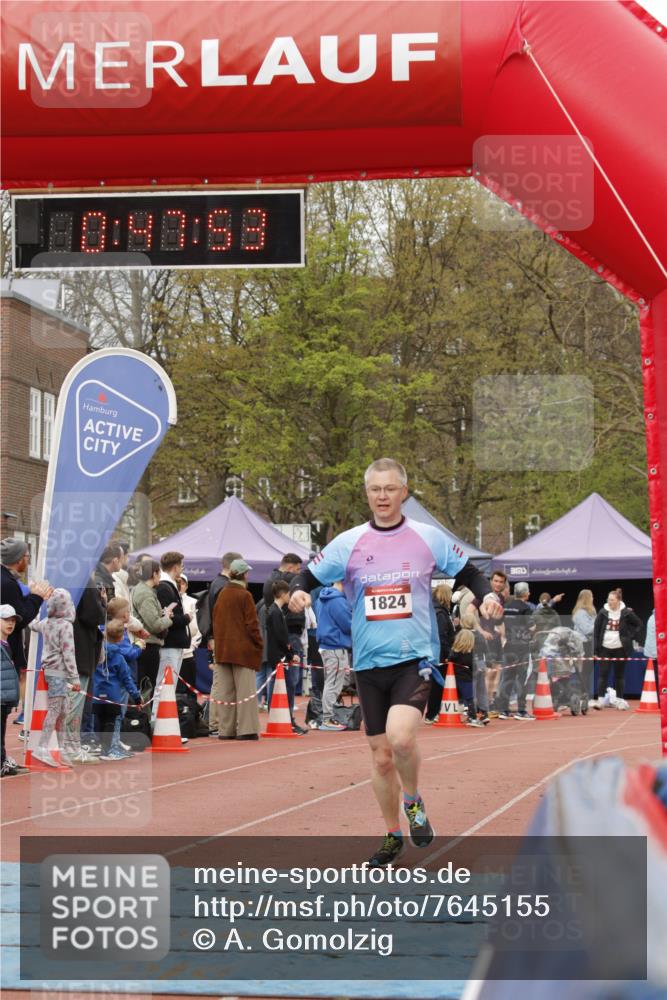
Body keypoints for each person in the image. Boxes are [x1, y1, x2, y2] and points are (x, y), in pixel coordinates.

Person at [289, 458, 502, 866]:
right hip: (368, 662)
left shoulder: (426, 538)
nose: (383, 496)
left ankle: (413, 801)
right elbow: (307, 577)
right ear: (367, 494)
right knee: (381, 756)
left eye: (390, 489)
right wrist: (299, 593)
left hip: (415, 658)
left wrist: (486, 594)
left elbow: (470, 573)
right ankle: (392, 835)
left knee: (401, 738)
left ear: (404, 492)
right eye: (375, 490)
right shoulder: (348, 543)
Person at [211, 559, 263, 740]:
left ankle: (226, 730)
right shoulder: (245, 595)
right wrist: (258, 644)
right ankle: (246, 729)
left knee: (226, 693)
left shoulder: (222, 593)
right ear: (244, 574)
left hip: (223, 649)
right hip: (242, 650)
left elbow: (215, 622)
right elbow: (252, 624)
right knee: (246, 693)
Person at [28, 588, 81, 768]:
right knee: (56, 709)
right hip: (59, 672)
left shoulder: (46, 622)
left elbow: (32, 625)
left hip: (51, 671)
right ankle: (42, 746)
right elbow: (69, 653)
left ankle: (61, 747)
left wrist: (34, 612)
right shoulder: (66, 626)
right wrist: (75, 678)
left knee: (63, 710)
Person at [69, 576, 107, 761]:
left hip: (63, 653)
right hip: (81, 651)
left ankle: (67, 746)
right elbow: (94, 615)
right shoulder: (84, 580)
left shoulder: (60, 576)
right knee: (76, 704)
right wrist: (103, 604)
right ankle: (72, 747)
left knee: (65, 704)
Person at [93, 619, 142, 760]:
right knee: (111, 722)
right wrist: (137, 696)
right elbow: (127, 679)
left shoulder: (97, 653)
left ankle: (101, 748)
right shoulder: (119, 658)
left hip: (96, 694)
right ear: (121, 638)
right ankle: (109, 751)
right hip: (112, 696)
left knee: (99, 722)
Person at [154, 551, 191, 723]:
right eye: (181, 566)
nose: (182, 569)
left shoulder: (167, 586)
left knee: (169, 686)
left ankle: (164, 723)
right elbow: (166, 616)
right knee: (164, 685)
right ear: (175, 567)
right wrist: (186, 618)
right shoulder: (164, 587)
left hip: (174, 643)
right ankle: (157, 722)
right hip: (170, 643)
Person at [131, 560, 173, 694]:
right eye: (159, 572)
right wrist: (167, 618)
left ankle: (144, 714)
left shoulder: (143, 590)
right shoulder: (145, 594)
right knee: (147, 687)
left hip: (145, 644)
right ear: (154, 574)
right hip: (148, 645)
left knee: (145, 685)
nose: (160, 575)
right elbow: (154, 625)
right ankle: (145, 715)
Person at [315, 581, 353, 731]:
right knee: (334, 683)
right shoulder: (338, 601)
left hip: (326, 645)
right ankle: (328, 718)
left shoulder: (321, 598)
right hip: (336, 646)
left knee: (331, 682)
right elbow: (348, 624)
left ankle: (327, 716)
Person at [593, 589, 642, 704]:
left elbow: (639, 624)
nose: (610, 602)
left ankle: (620, 699)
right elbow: (596, 631)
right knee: (603, 674)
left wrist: (629, 636)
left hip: (621, 649)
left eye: (612, 600)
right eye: (608, 599)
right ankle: (600, 699)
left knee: (619, 675)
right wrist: (596, 649)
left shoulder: (626, 612)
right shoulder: (602, 612)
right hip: (605, 648)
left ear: (618, 600)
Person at [496, 582, 535, 721]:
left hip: (508, 645)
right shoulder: (526, 608)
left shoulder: (506, 607)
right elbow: (531, 627)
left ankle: (504, 710)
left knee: (507, 678)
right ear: (525, 593)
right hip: (522, 647)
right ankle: (522, 710)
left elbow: (499, 624)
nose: (529, 593)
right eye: (528, 591)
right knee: (522, 678)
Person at [1, 605, 27, 776]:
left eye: (12, 621)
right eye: (6, 620)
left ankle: (2, 760)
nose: (10, 624)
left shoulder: (7, 643)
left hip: (5, 696)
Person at [425, 583, 455, 723]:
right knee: (437, 685)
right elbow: (442, 636)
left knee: (436, 685)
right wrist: (449, 654)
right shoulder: (441, 614)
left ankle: (433, 712)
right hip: (439, 654)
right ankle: (432, 713)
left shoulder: (436, 611)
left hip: (436, 652)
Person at [178, 573, 202, 694]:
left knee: (189, 688)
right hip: (173, 652)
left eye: (182, 583)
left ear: (187, 586)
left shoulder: (193, 602)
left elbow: (197, 628)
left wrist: (192, 646)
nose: (180, 585)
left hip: (188, 654)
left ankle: (190, 711)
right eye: (178, 582)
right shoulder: (168, 599)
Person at [572, 589, 596, 695]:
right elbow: (587, 629)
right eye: (591, 596)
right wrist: (598, 623)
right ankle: (583, 694)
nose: (593, 598)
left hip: (588, 644)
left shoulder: (589, 612)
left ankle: (584, 694)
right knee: (584, 671)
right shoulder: (580, 613)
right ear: (587, 598)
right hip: (582, 645)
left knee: (587, 670)